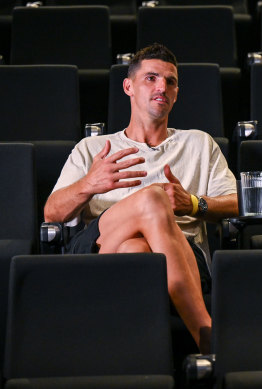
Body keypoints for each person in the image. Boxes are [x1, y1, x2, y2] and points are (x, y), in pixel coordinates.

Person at [44, 43, 238, 353]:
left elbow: (237, 204)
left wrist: (193, 204)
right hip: (97, 245)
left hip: (181, 255)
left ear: (176, 93)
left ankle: (129, 359)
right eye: (151, 78)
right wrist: (89, 184)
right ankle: (207, 336)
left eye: (170, 81)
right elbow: (52, 213)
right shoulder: (93, 148)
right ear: (128, 86)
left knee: (136, 247)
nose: (162, 86)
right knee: (153, 200)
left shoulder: (199, 143)